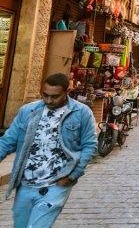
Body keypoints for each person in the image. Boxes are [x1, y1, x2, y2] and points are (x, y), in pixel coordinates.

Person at [0, 74, 97, 228]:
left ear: (68, 92)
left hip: (55, 184)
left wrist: (72, 176)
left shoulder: (81, 113)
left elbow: (90, 146)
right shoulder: (28, 111)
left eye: (55, 96)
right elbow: (7, 142)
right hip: (25, 183)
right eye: (45, 95)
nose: (49, 101)